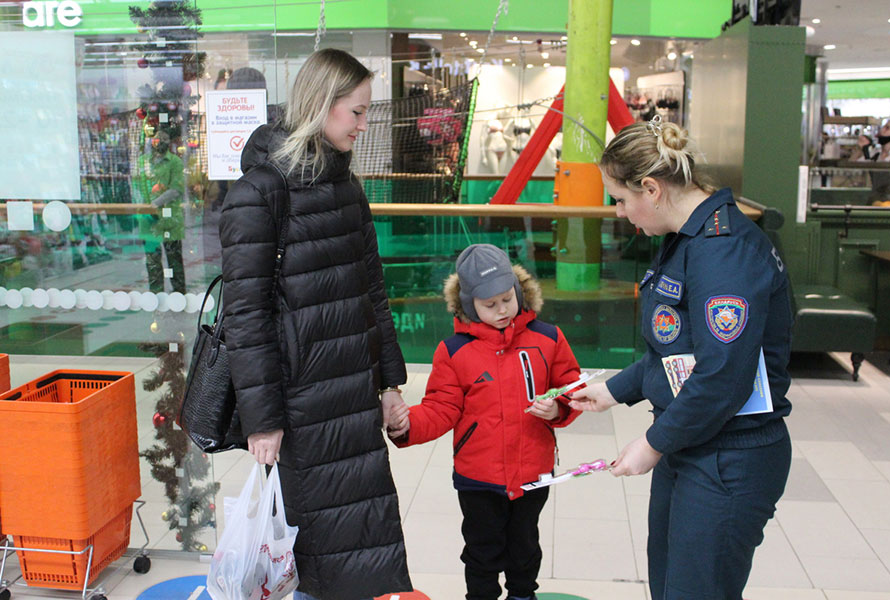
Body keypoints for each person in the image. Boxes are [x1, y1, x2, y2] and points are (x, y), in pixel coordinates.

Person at [568, 117, 793, 600]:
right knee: (670, 587)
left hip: (729, 455)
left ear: (650, 188)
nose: (619, 212)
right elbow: (678, 353)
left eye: (621, 199)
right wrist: (612, 390)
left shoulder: (723, 251)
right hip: (691, 441)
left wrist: (652, 443)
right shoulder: (685, 239)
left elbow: (721, 377)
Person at [218, 48, 411, 600]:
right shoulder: (260, 192)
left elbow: (372, 292)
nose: (364, 123)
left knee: (363, 543)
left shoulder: (346, 188)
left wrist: (389, 385)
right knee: (309, 552)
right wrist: (262, 420)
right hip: (300, 407)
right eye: (357, 111)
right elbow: (246, 314)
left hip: (351, 398)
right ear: (322, 105)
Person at [388, 243, 582, 600]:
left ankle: (523, 595)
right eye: (489, 305)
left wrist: (559, 407)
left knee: (525, 547)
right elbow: (440, 407)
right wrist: (407, 425)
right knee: (482, 550)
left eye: (507, 299)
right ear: (467, 305)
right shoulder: (454, 351)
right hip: (478, 476)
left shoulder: (548, 338)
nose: (502, 310)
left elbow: (570, 384)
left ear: (519, 291)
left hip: (532, 471)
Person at [134, 129, 186, 293]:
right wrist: (143, 207)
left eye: (164, 139)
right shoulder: (143, 162)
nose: (160, 142)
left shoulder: (175, 162)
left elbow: (176, 189)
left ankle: (179, 294)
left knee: (174, 260)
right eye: (157, 139)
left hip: (169, 220)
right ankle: (156, 296)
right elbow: (136, 185)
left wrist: (154, 204)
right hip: (148, 220)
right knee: (152, 261)